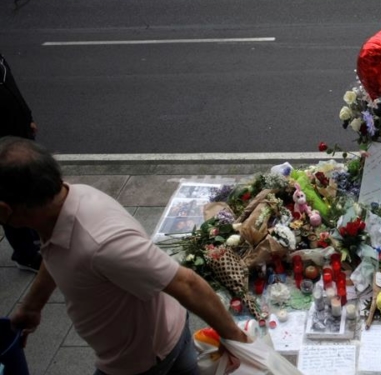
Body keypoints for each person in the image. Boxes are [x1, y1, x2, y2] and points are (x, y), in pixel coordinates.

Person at [0, 137, 248, 374]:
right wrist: (32, 306)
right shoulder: (67, 200)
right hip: (164, 331)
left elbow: (188, 284)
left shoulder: (103, 244)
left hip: (140, 361)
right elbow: (54, 251)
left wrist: (236, 340)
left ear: (4, 209)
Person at [1, 52, 42, 272]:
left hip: (19, 132)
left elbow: (10, 85)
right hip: (3, 145)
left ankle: (36, 234)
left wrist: (27, 117)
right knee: (11, 199)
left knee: (31, 189)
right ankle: (26, 255)